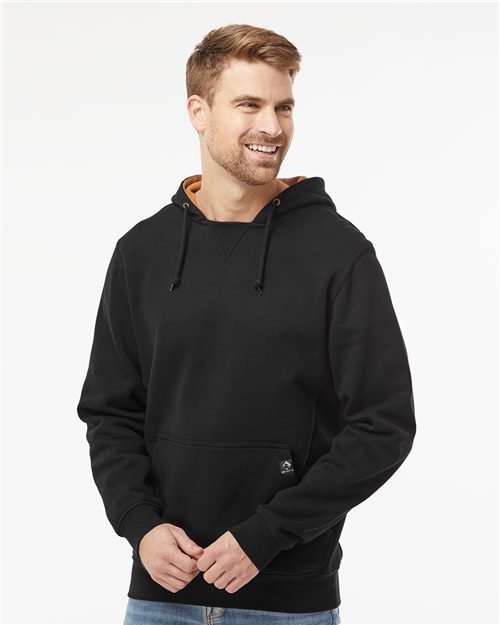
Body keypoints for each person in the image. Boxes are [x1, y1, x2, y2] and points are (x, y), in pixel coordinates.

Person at [77, 23, 416, 625]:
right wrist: (139, 525)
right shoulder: (143, 252)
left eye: (284, 107)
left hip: (288, 604)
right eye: (249, 105)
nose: (272, 126)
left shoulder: (338, 254)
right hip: (160, 598)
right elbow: (111, 412)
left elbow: (383, 425)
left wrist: (269, 534)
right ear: (198, 112)